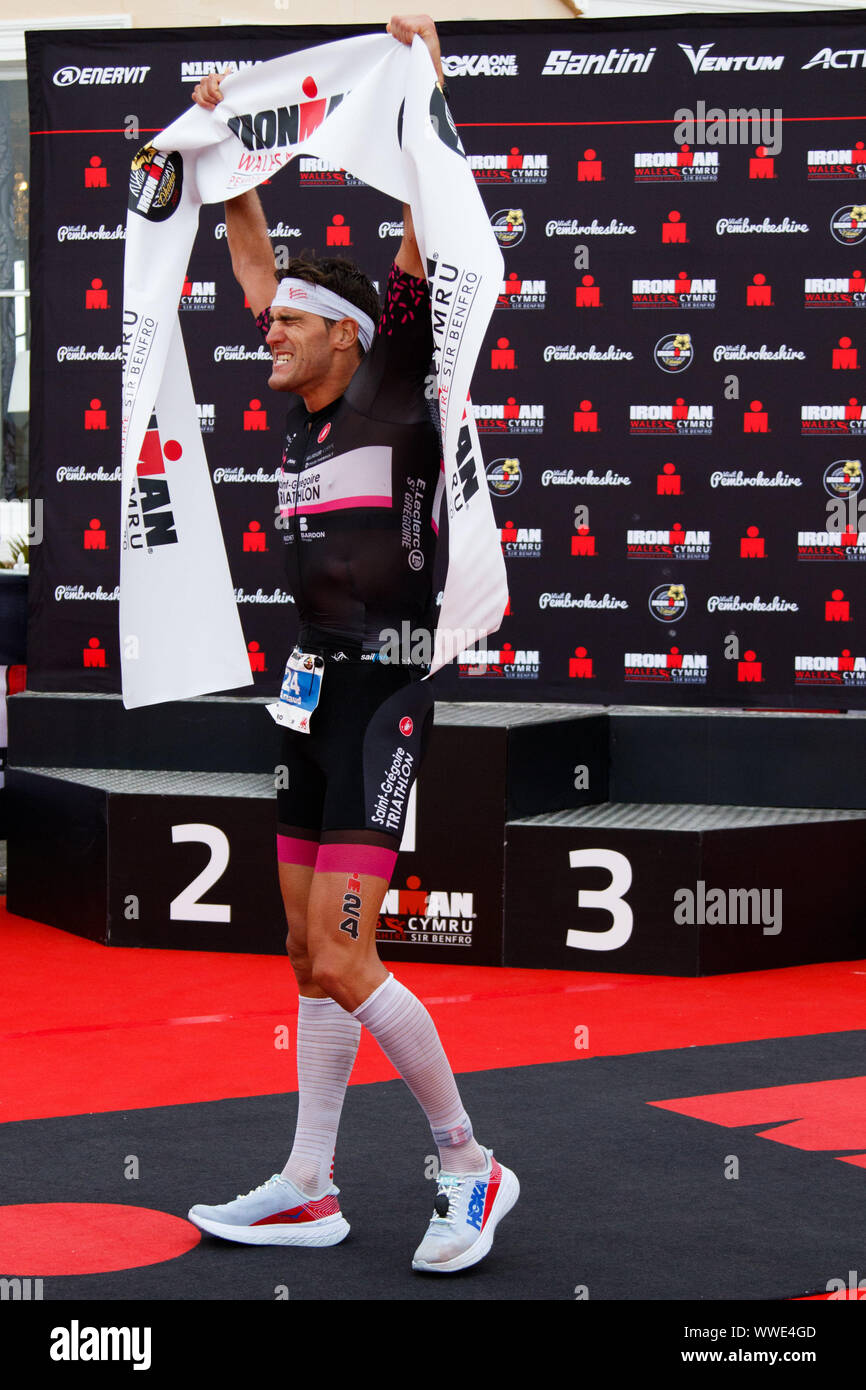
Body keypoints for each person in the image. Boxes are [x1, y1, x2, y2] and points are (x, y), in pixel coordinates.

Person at [186, 14, 518, 1275]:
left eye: (284, 325)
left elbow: (423, 222)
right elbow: (258, 263)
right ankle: (310, 1185)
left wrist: (421, 77)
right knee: (300, 952)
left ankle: (468, 1164)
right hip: (305, 695)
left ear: (344, 332)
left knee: (340, 947)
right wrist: (226, 155)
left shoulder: (391, 382)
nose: (263, 331)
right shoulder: (313, 416)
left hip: (383, 691)